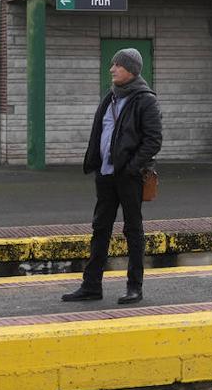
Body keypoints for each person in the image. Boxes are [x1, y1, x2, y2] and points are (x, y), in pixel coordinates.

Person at [62, 48, 162, 305]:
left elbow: (153, 140)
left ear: (131, 69)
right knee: (100, 228)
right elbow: (101, 132)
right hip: (105, 175)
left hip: (129, 177)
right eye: (113, 64)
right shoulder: (111, 97)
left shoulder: (145, 100)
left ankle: (134, 287)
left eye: (117, 65)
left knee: (133, 230)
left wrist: (131, 167)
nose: (112, 69)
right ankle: (91, 286)